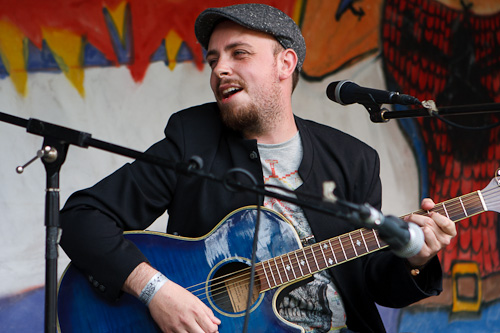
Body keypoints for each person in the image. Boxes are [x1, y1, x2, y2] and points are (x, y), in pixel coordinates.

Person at [59, 3, 456, 332]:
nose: (219, 69)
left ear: (285, 64)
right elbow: (81, 218)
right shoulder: (193, 139)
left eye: (239, 53)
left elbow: (371, 281)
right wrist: (156, 290)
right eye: (213, 59)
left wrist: (416, 259)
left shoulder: (354, 159)